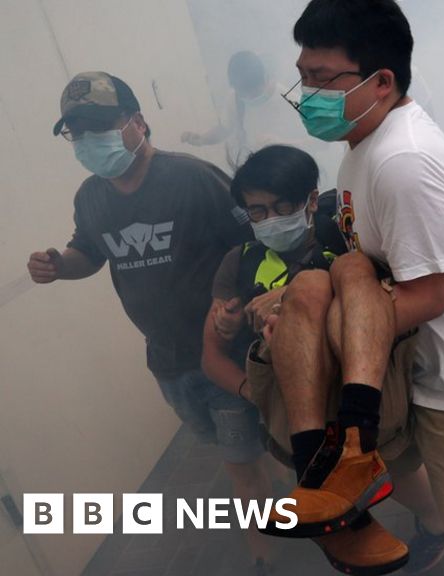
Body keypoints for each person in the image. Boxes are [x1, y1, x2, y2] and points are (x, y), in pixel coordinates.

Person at [260, 1, 444, 574]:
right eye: (302, 77)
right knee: (315, 286)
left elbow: (432, 296)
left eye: (321, 79)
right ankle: (335, 485)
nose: (306, 94)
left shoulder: (403, 161)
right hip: (412, 367)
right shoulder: (365, 144)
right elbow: (374, 264)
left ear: (381, 82)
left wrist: (325, 333)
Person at [27, 72, 273, 575]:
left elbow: (251, 243)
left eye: (101, 126)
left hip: (222, 354)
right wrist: (58, 264)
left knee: (241, 464)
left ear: (137, 122)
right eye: (77, 133)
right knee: (235, 450)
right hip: (166, 362)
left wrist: (238, 301)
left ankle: (265, 557)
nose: (89, 141)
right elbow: (88, 253)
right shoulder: (91, 198)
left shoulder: (191, 178)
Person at [201, 144, 414, 575]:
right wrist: (247, 382)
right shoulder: (240, 263)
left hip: (361, 384)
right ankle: (318, 479)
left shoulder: (347, 237)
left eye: (281, 207)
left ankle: (353, 460)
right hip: (295, 402)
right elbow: (210, 353)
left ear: (312, 201)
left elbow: (395, 290)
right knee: (315, 285)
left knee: (339, 274)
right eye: (256, 212)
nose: (269, 220)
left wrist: (293, 290)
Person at [180, 51, 335, 177]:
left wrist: (283, 144)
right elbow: (225, 128)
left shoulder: (290, 99)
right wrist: (202, 139)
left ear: (266, 78)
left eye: (254, 93)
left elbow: (323, 140)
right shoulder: (235, 98)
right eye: (243, 94)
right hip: (259, 174)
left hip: (292, 172)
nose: (248, 98)